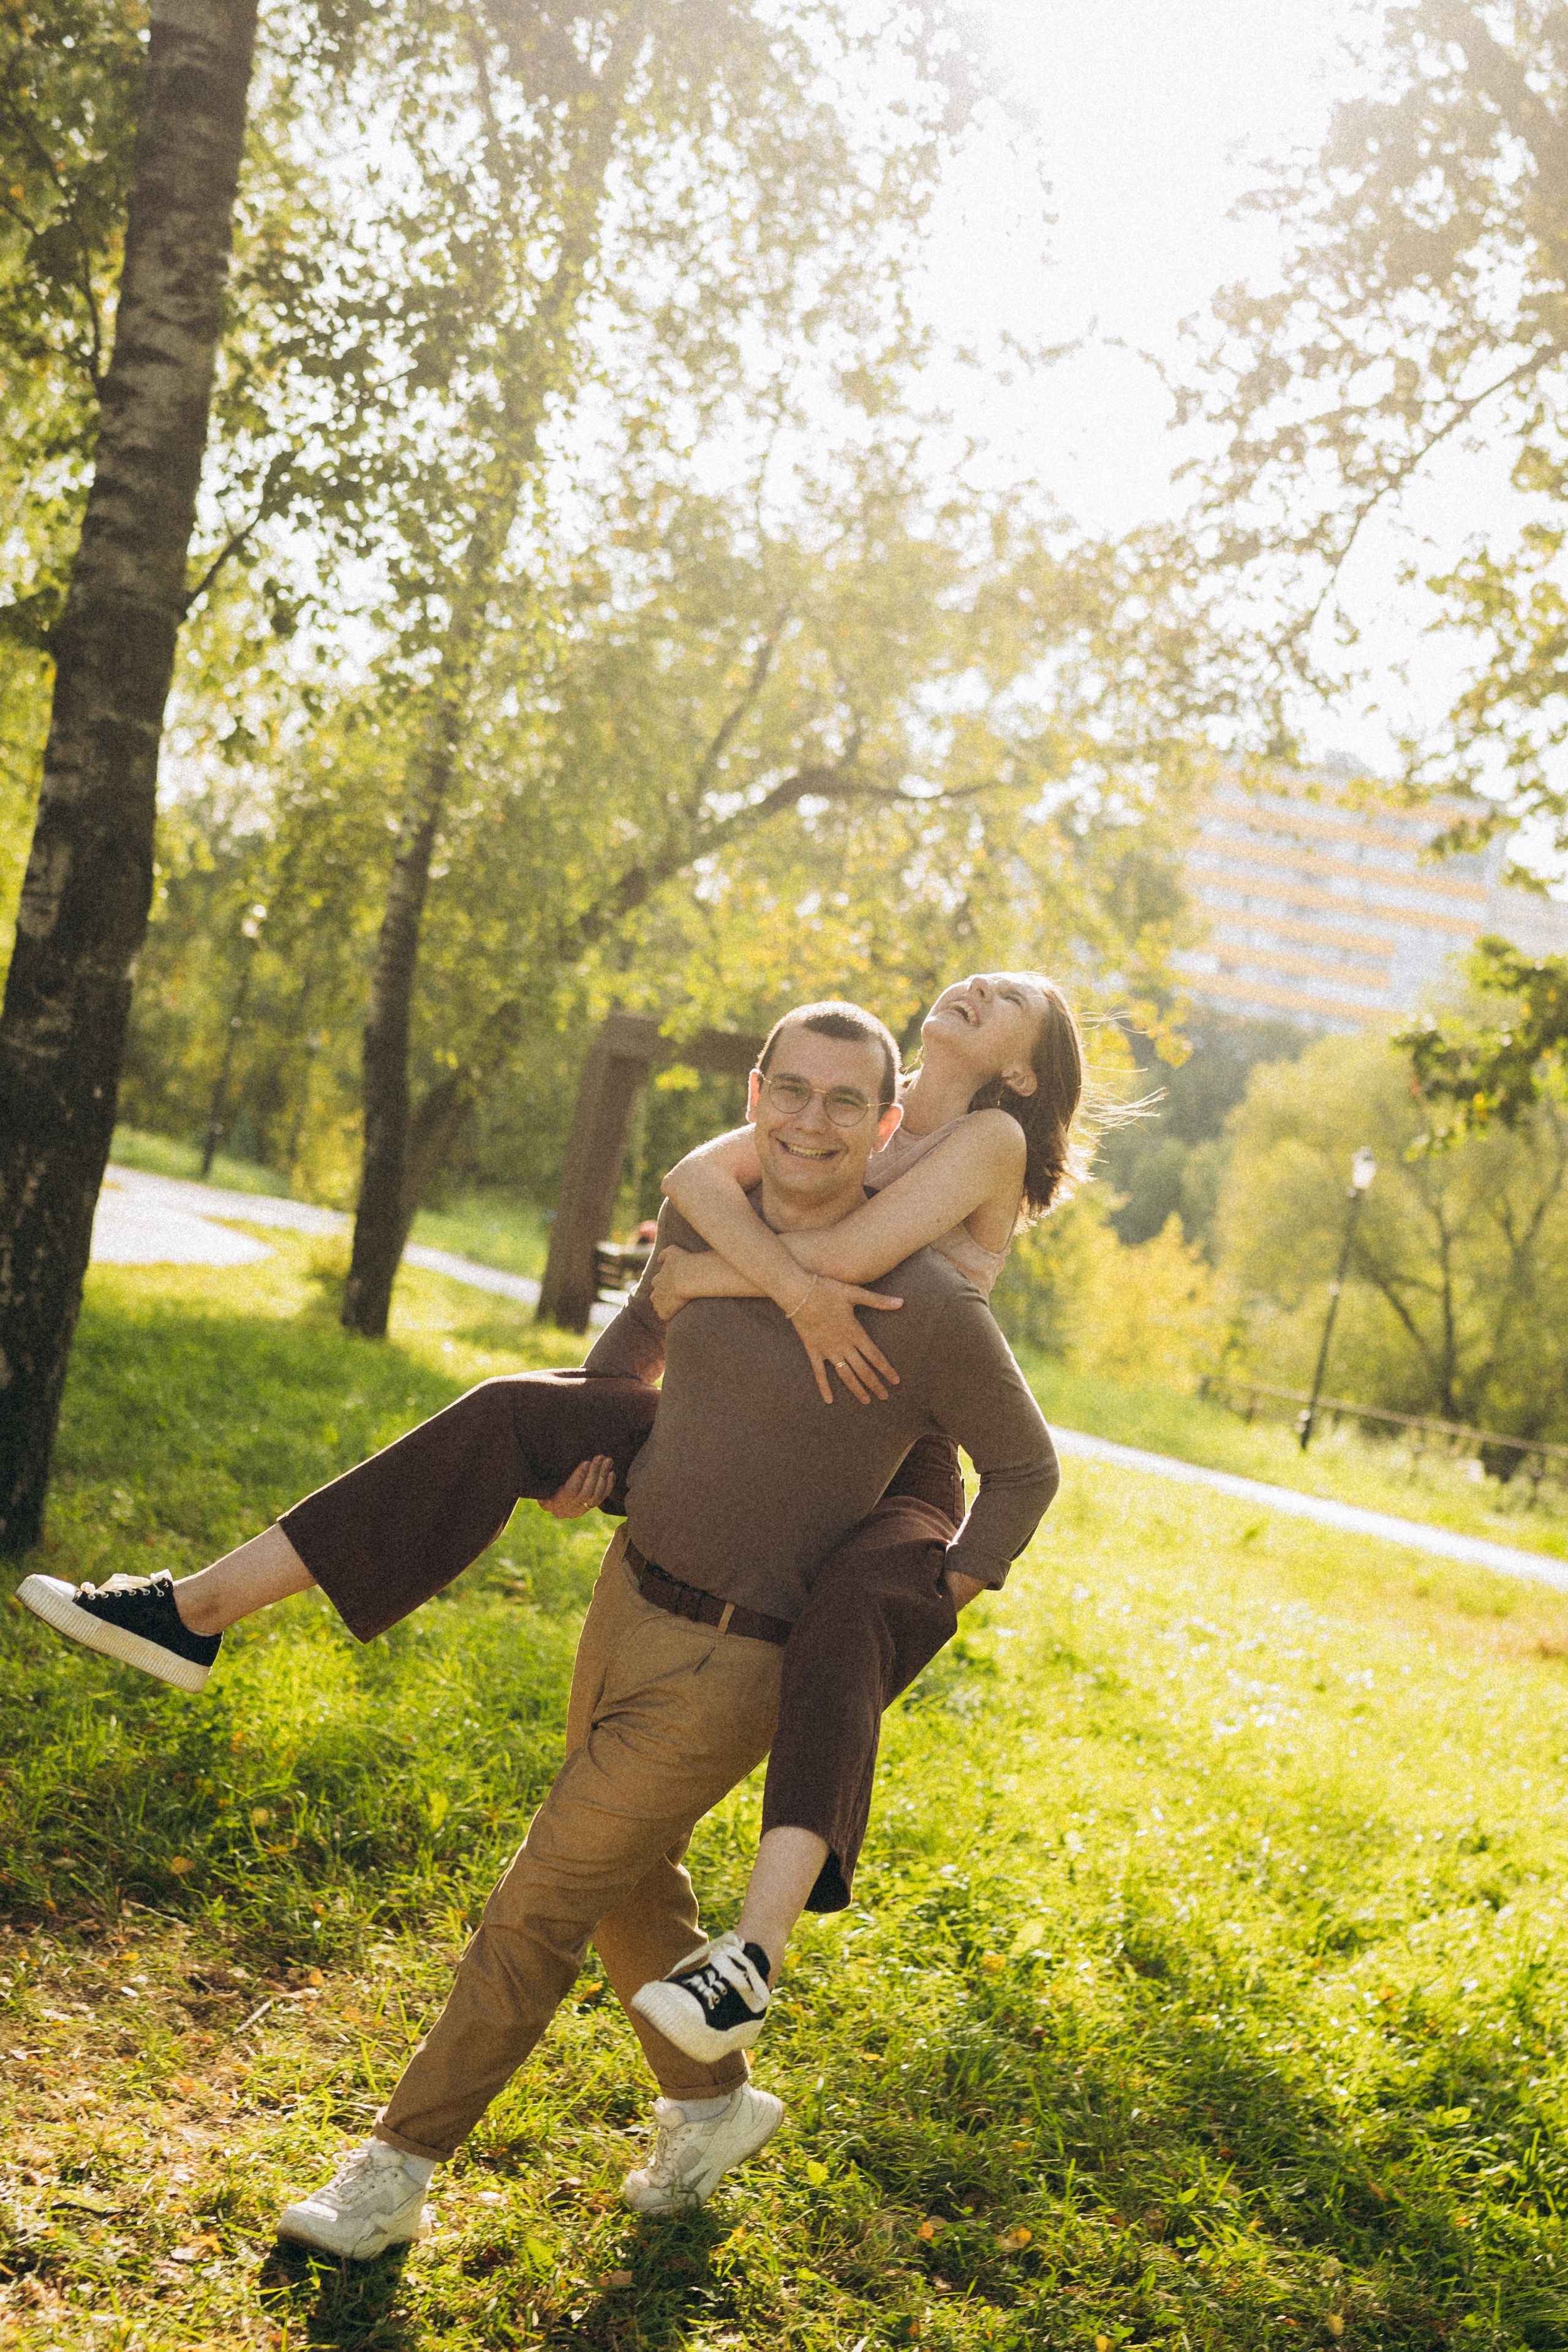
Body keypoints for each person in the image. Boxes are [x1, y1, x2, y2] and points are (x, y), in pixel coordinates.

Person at [268, 1001, 1058, 2257]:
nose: (811, 1121)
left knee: (536, 1901)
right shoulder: (728, 1235)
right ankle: (710, 2108)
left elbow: (1024, 1471)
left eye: (844, 1102)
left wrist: (940, 1599)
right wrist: (599, 1449)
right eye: (789, 1092)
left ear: (889, 1125)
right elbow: (635, 1364)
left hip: (740, 1650)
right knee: (624, 1878)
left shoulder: (925, 1306)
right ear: (753, 1097)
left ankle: (394, 2171)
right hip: (629, 1596)